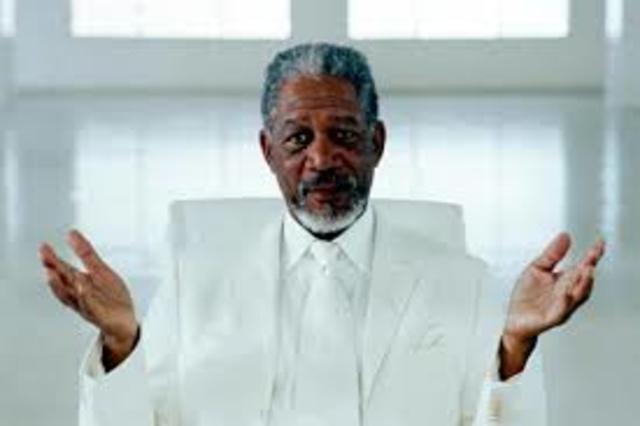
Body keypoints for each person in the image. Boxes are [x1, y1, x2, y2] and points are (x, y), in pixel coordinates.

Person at [40, 43, 605, 426]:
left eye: (344, 135)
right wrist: (120, 344)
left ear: (376, 144)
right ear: (268, 151)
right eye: (297, 139)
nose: (322, 159)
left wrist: (516, 349)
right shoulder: (196, 282)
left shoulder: (463, 281)